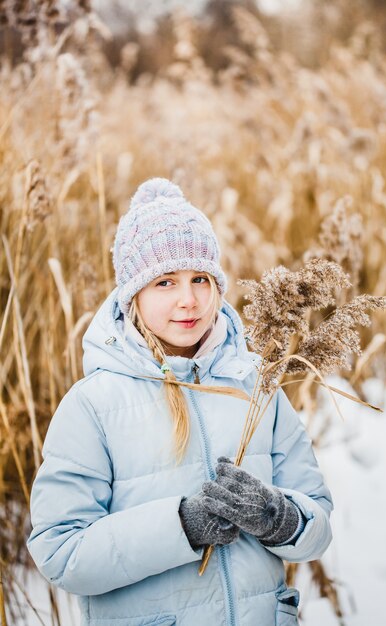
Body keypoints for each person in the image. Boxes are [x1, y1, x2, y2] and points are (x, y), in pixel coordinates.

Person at [27, 177, 333, 626]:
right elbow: (60, 553)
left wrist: (279, 518)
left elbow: (317, 524)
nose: (188, 300)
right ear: (133, 294)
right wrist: (181, 526)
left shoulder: (256, 388)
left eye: (200, 279)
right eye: (165, 282)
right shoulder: (93, 406)